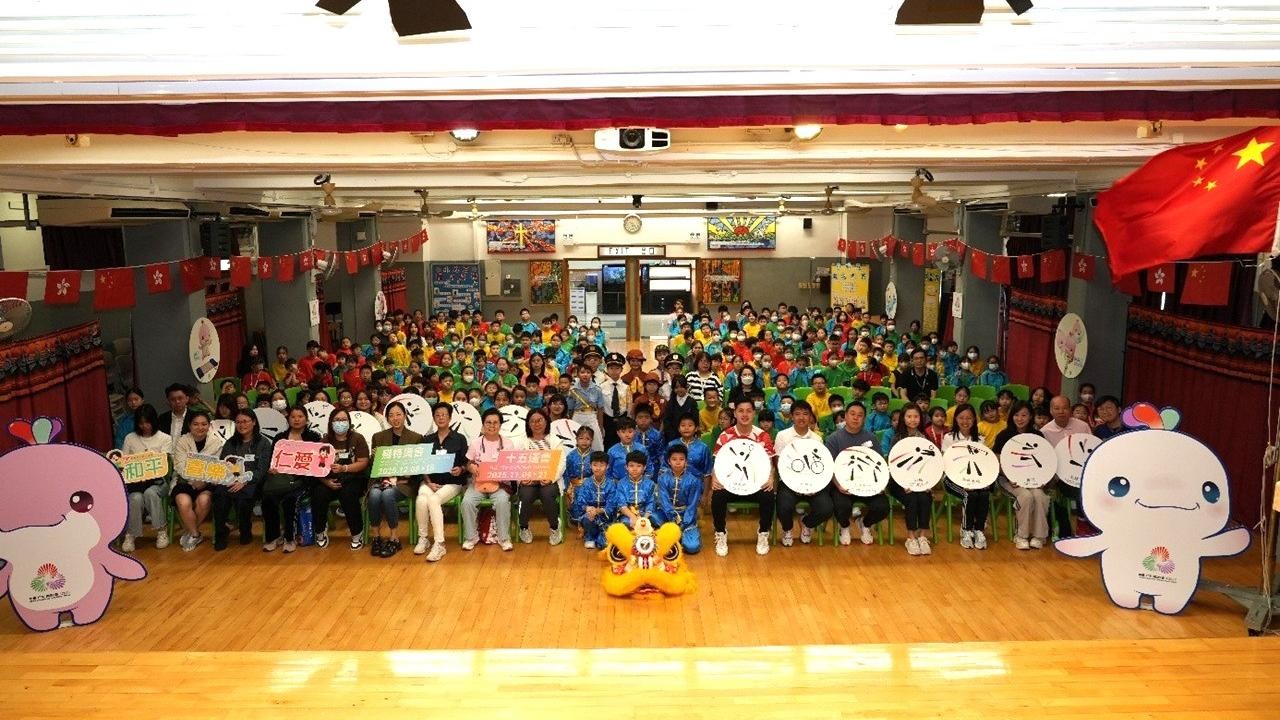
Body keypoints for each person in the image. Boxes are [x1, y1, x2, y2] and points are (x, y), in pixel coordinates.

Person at [711, 398, 778, 557]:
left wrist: (770, 477)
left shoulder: (762, 436)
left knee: (768, 495)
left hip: (755, 482)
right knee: (718, 495)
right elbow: (718, 462)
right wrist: (715, 478)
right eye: (741, 410)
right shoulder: (725, 435)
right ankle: (721, 533)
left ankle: (763, 533)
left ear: (754, 413)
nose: (745, 414)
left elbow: (770, 463)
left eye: (749, 411)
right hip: (731, 482)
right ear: (735, 413)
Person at [412, 402, 469, 561]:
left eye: (444, 414)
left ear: (450, 417)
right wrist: (428, 482)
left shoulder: (459, 438)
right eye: (437, 415)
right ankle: (423, 538)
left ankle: (440, 544)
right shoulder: (427, 439)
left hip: (452, 482)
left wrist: (461, 469)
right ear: (433, 418)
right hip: (431, 482)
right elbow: (422, 465)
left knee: (434, 500)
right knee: (421, 499)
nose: (441, 417)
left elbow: (466, 463)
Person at [824, 402, 887, 545]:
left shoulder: (871, 438)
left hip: (867, 483)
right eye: (852, 414)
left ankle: (865, 524)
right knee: (842, 505)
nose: (855, 418)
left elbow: (880, 463)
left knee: (882, 507)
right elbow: (829, 466)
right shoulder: (834, 438)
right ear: (845, 416)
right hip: (842, 484)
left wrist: (881, 484)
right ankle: (844, 527)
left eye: (860, 415)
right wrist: (838, 485)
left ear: (864, 419)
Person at [263, 406, 323, 554]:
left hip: (303, 480)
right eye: (293, 417)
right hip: (281, 478)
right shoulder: (280, 438)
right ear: (288, 419)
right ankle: (274, 536)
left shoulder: (313, 437)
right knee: (267, 499)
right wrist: (272, 469)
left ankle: (290, 538)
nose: (296, 420)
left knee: (290, 500)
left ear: (306, 419)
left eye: (300, 416)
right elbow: (273, 460)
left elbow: (318, 462)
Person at [368, 402, 424, 558]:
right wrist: (374, 457)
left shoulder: (416, 438)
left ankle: (394, 537)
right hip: (381, 480)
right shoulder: (378, 437)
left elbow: (419, 466)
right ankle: (376, 537)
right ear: (387, 418)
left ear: (405, 416)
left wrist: (407, 477)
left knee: (387, 495)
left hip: (403, 483)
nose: (395, 418)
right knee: (373, 495)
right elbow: (374, 467)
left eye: (398, 414)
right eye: (391, 415)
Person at [209, 409, 269, 551]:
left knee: (243, 497)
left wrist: (244, 481)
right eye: (238, 422)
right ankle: (221, 534)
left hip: (252, 481)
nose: (241, 425)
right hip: (230, 479)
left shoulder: (263, 443)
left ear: (254, 422)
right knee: (220, 495)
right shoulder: (231, 442)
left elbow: (261, 470)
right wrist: (222, 478)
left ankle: (245, 530)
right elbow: (224, 464)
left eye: (245, 421)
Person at [311, 408, 370, 551]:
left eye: (343, 420)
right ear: (331, 423)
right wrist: (326, 482)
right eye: (337, 420)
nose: (340, 423)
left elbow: (363, 462)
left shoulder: (357, 438)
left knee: (348, 495)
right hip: (329, 480)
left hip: (353, 478)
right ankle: (320, 531)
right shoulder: (325, 441)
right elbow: (316, 466)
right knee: (318, 494)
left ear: (349, 423)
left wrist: (345, 468)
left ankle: (357, 533)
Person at [773, 400, 830, 546]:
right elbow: (779, 464)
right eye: (797, 414)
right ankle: (787, 530)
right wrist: (795, 485)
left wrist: (813, 486)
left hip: (812, 483)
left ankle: (807, 524)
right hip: (789, 482)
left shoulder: (817, 438)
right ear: (791, 416)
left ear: (811, 417)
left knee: (827, 508)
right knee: (783, 506)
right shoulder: (782, 436)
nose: (801, 417)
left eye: (805, 414)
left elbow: (821, 466)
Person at [995, 402, 1049, 550]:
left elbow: (1045, 461)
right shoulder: (1004, 435)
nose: (1020, 419)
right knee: (1025, 496)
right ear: (1011, 416)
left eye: (1024, 415)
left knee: (1039, 495)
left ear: (1030, 416)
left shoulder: (1037, 436)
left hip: (1032, 480)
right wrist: (1009, 477)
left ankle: (1039, 536)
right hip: (1008, 480)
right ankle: (1021, 535)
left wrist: (1041, 480)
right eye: (1016, 415)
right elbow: (998, 461)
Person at [119, 403, 172, 552]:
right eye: (141, 423)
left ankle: (161, 531)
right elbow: (125, 462)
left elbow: (165, 464)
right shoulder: (130, 438)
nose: (144, 426)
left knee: (150, 493)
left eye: (147, 423)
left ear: (153, 421)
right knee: (135, 498)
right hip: (136, 483)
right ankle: (131, 535)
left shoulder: (164, 438)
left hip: (158, 482)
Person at [883, 405, 934, 556]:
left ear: (921, 418)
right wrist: (905, 483)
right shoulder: (896, 438)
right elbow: (893, 465)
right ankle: (911, 537)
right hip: (898, 482)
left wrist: (927, 484)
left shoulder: (924, 438)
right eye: (909, 416)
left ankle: (923, 536)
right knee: (911, 498)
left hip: (920, 480)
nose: (913, 420)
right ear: (903, 419)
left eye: (916, 416)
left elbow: (931, 464)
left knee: (925, 497)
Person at [462, 408, 515, 551]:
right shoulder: (475, 443)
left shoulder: (508, 444)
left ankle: (504, 538)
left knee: (503, 501)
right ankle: (471, 537)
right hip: (478, 484)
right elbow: (468, 463)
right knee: (467, 502)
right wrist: (471, 467)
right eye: (488, 422)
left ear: (500, 425)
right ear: (483, 425)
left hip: (499, 484)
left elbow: (512, 467)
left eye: (495, 423)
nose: (492, 426)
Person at [941, 403, 991, 550]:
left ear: (974, 419)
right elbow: (947, 463)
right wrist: (962, 482)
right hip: (952, 479)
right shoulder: (949, 437)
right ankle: (966, 530)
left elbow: (983, 463)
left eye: (969, 418)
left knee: (983, 493)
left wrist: (983, 481)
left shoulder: (980, 439)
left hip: (976, 479)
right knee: (970, 494)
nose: (965, 421)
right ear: (956, 419)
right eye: (961, 418)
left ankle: (979, 530)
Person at [1041, 394, 1092, 539]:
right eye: (1057, 408)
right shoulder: (1045, 431)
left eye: (1064, 408)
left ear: (1070, 409)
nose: (1061, 411)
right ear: (1051, 410)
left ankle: (1085, 525)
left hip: (1081, 474)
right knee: (1056, 493)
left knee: (1088, 489)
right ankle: (1063, 530)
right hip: (1057, 476)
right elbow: (1046, 459)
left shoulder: (1082, 426)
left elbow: (1091, 450)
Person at [171, 409, 222, 551]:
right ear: (189, 426)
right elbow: (180, 466)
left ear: (209, 426)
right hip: (185, 481)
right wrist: (195, 479)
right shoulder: (182, 441)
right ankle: (195, 533)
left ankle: (190, 533)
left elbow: (215, 466)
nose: (200, 427)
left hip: (207, 482)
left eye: (204, 424)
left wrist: (204, 480)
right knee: (183, 502)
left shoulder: (216, 442)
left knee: (204, 501)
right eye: (196, 424)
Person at [515, 408, 566, 545]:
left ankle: (555, 527)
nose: (536, 424)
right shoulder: (522, 442)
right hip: (529, 480)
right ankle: (524, 527)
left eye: (540, 420)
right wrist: (522, 478)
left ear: (546, 421)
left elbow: (561, 463)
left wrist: (551, 478)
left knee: (547, 494)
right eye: (532, 421)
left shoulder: (554, 440)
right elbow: (515, 463)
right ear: (528, 424)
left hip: (548, 480)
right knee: (525, 496)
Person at [654, 444, 702, 553]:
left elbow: (693, 505)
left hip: (686, 515)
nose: (678, 462)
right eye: (674, 459)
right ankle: (674, 534)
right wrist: (673, 516)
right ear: (669, 461)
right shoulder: (663, 478)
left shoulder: (693, 481)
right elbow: (664, 500)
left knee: (692, 547)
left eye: (681, 459)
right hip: (667, 514)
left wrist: (684, 522)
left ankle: (686, 533)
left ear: (686, 461)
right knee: (653, 517)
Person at [570, 451, 613, 549]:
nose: (598, 468)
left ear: (607, 466)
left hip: (606, 516)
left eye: (602, 465)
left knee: (604, 544)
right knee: (587, 518)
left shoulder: (611, 484)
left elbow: (612, 504)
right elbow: (580, 502)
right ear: (590, 466)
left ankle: (601, 536)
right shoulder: (586, 483)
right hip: (590, 515)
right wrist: (588, 508)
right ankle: (590, 537)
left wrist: (598, 510)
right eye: (595, 465)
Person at [608, 450, 657, 528]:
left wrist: (644, 519)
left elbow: (651, 503)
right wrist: (632, 517)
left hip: (645, 515)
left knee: (655, 521)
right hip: (627, 515)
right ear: (626, 467)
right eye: (631, 466)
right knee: (625, 524)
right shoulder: (621, 483)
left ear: (644, 467)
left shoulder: (650, 483)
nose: (635, 469)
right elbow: (622, 504)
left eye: (638, 466)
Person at [565, 363, 605, 452]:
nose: (585, 375)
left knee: (597, 444)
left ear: (591, 374)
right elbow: (570, 409)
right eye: (582, 372)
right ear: (578, 374)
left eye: (588, 372)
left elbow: (600, 409)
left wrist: (601, 426)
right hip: (577, 416)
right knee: (575, 441)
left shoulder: (597, 389)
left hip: (591, 416)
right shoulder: (573, 390)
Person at [159, 383, 195, 453]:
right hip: (167, 458)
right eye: (173, 399)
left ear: (187, 399)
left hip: (188, 458)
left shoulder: (195, 417)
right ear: (168, 401)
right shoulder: (162, 418)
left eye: (180, 398)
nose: (177, 402)